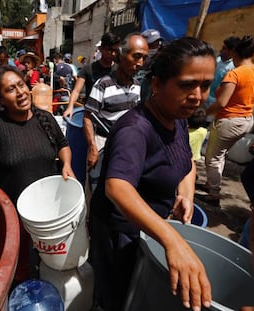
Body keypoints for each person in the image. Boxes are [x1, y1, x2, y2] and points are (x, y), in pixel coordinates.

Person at [88, 36, 216, 311]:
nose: (197, 96)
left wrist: (185, 193)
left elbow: (187, 161)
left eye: (205, 85)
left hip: (151, 230)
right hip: (121, 235)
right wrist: (174, 242)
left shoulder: (178, 119)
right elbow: (117, 187)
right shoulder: (135, 130)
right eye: (186, 85)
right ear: (156, 85)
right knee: (119, 297)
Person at [0, 65, 75, 280]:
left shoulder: (44, 118)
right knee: (23, 272)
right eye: (10, 89)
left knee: (54, 268)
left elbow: (63, 145)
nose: (20, 92)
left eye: (21, 85)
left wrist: (66, 164)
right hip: (18, 220)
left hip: (50, 215)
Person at [198, 35, 254, 206]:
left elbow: (221, 102)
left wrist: (205, 112)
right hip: (247, 120)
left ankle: (213, 194)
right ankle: (211, 183)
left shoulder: (234, 74)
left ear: (235, 52)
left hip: (229, 121)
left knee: (212, 157)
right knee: (220, 154)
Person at [83, 32, 149, 169]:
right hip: (104, 144)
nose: (140, 63)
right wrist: (93, 147)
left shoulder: (137, 86)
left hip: (127, 145)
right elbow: (88, 117)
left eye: (144, 58)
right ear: (121, 55)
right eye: (136, 56)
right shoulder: (103, 85)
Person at [63, 32, 120, 118]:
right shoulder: (88, 69)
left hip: (112, 117)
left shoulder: (119, 70)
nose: (113, 54)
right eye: (109, 50)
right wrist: (70, 107)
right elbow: (76, 91)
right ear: (101, 49)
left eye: (115, 50)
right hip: (92, 116)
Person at [204, 36, 240, 108]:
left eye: (224, 49)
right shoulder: (218, 59)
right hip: (205, 98)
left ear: (231, 51)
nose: (221, 50)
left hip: (214, 103)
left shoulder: (232, 68)